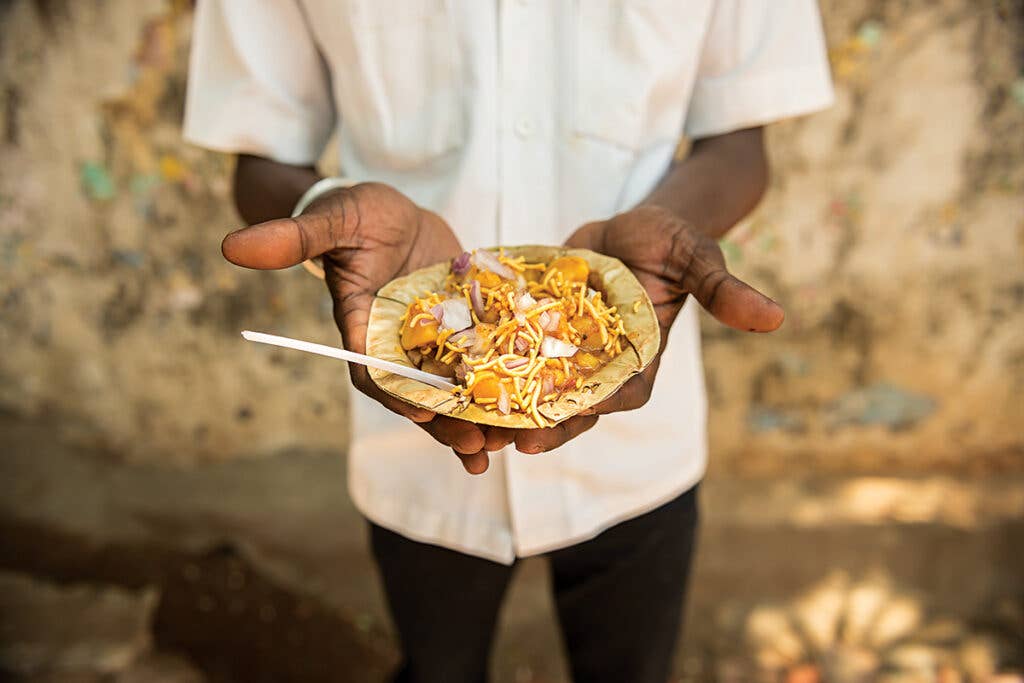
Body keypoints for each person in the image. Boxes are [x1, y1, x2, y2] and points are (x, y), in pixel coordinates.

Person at [184, 1, 833, 680]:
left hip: (636, 439)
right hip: (417, 432)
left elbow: (739, 144)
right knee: (436, 666)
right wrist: (324, 204)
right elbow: (261, 152)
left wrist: (670, 227)